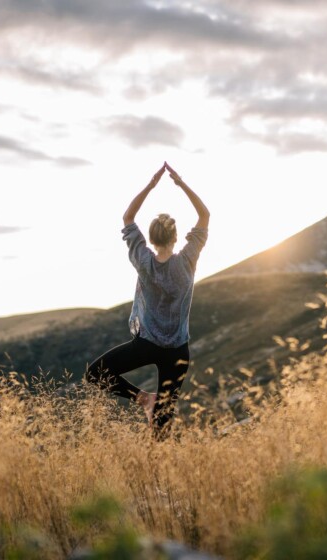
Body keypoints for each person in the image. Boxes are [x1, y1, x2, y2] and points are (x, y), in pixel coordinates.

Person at [85, 162, 210, 438]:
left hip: (146, 345)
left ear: (151, 239)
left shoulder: (143, 260)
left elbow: (128, 216)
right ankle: (158, 459)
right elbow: (204, 214)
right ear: (176, 237)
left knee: (94, 373)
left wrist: (151, 185)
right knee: (162, 429)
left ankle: (144, 399)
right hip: (177, 351)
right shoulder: (187, 261)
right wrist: (181, 183)